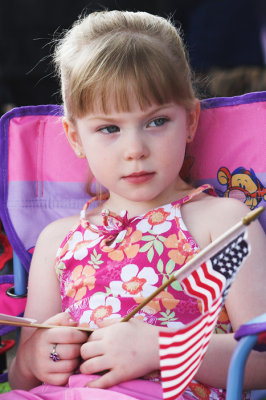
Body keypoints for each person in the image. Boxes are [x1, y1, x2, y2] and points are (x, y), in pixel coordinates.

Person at [3, 10, 266, 400]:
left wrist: (161, 348)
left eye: (157, 121)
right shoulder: (57, 240)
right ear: (74, 138)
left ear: (191, 119)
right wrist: (34, 358)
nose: (135, 150)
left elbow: (260, 363)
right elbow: (23, 376)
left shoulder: (225, 221)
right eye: (109, 128)